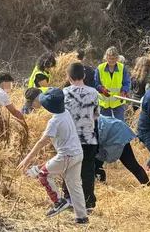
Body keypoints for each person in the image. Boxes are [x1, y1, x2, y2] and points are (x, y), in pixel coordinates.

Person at [18, 88, 89, 225]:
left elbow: (41, 142)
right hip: (78, 154)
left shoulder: (54, 121)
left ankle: (58, 202)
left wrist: (27, 159)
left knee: (43, 174)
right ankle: (82, 218)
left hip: (66, 156)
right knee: (75, 186)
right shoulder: (66, 113)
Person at [62, 63, 100, 212]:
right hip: (89, 138)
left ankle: (69, 198)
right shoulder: (93, 92)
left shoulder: (64, 93)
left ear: (68, 77)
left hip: (70, 138)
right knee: (88, 171)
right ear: (83, 76)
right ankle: (88, 202)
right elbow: (96, 115)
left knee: (68, 169)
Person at [94, 115, 150, 186]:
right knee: (96, 164)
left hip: (117, 133)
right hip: (109, 131)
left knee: (132, 165)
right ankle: (101, 185)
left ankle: (148, 186)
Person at [94, 47, 130, 120]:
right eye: (109, 58)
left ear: (117, 58)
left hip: (118, 102)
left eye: (113, 59)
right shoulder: (100, 68)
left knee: (119, 124)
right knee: (106, 124)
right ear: (106, 57)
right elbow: (95, 82)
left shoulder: (122, 68)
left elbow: (127, 82)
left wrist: (124, 91)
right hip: (104, 103)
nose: (111, 61)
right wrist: (101, 89)